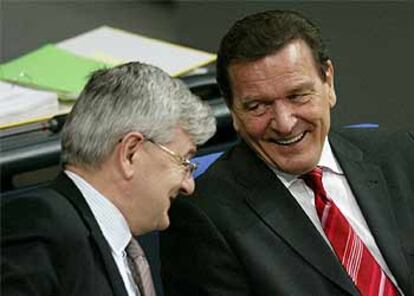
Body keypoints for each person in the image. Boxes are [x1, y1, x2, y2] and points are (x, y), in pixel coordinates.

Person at [160, 10, 414, 296]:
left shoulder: (399, 153)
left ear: (328, 82)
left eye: (297, 96)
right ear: (232, 108)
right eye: (258, 106)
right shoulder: (204, 218)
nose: (284, 123)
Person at [1, 61, 216, 296]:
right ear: (130, 153)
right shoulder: (38, 227)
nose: (189, 185)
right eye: (184, 162)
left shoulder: (121, 244)